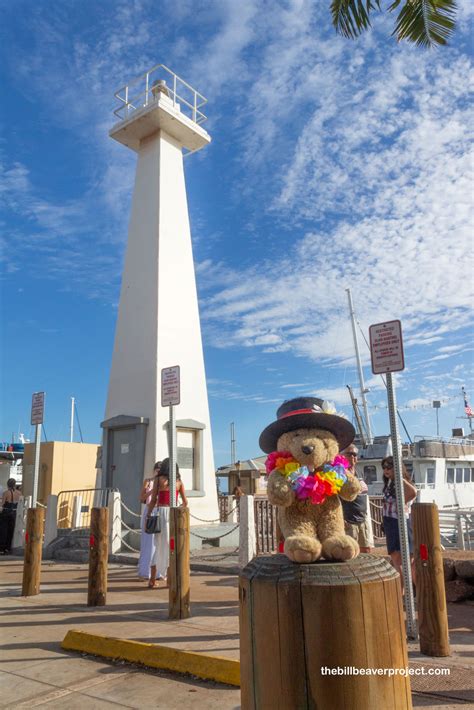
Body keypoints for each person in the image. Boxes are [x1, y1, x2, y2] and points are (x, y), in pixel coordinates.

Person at [146, 458, 188, 589]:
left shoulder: (159, 480)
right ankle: (170, 581)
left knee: (158, 546)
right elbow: (185, 502)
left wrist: (148, 514)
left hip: (161, 513)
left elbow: (153, 500)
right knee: (172, 546)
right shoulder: (179, 482)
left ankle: (152, 580)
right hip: (173, 514)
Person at [382, 456, 417, 591]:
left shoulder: (401, 482)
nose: (386, 470)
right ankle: (404, 593)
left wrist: (398, 476)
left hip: (400, 522)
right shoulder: (390, 484)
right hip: (391, 522)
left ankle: (403, 594)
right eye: (384, 467)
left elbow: (413, 492)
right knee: (398, 560)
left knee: (402, 561)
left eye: (389, 467)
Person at [340, 445, 373, 553]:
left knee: (366, 550)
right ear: (343, 456)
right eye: (350, 454)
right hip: (348, 520)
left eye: (355, 454)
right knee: (350, 551)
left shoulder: (360, 472)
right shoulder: (339, 473)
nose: (353, 457)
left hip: (362, 519)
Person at [137, 463, 160, 579]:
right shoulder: (148, 481)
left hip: (159, 511)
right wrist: (152, 491)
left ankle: (158, 572)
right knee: (148, 543)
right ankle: (145, 571)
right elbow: (141, 498)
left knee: (158, 543)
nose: (158, 473)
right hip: (149, 511)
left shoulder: (164, 483)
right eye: (157, 470)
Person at [0, 478, 22, 554]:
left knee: (3, 530)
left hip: (6, 512)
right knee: (11, 530)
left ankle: (2, 548)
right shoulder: (19, 493)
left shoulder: (6, 493)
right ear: (15, 484)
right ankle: (8, 548)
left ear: (7, 484)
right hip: (14, 513)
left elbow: (2, 504)